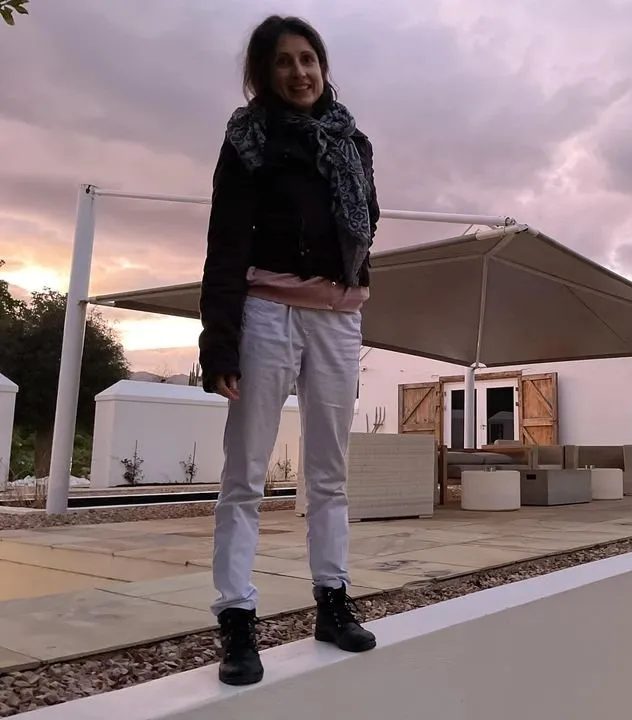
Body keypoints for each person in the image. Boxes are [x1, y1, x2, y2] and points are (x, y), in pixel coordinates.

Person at [198, 14, 380, 687]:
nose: (300, 73)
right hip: (266, 314)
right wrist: (219, 340)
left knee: (329, 475)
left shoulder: (352, 140)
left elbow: (365, 224)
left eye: (309, 59)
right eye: (284, 63)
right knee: (245, 476)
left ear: (323, 65)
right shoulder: (248, 142)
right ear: (263, 74)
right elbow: (225, 241)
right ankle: (237, 621)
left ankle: (332, 603)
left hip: (338, 319)